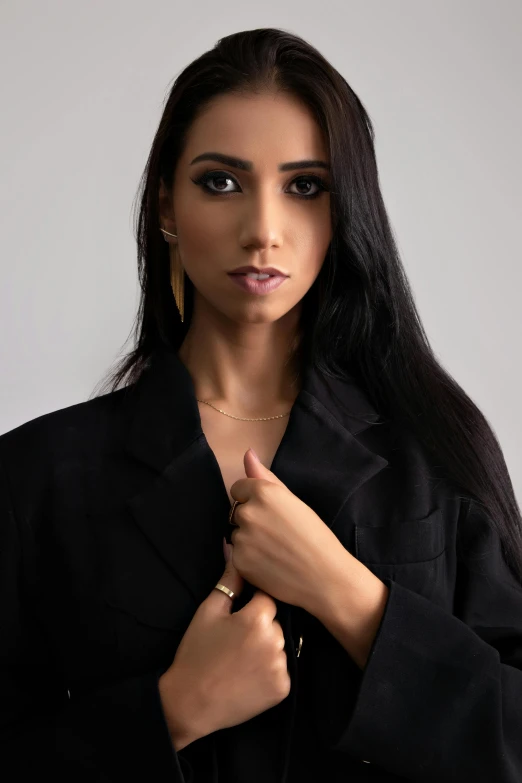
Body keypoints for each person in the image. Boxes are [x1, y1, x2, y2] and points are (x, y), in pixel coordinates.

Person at [1, 26, 521, 783]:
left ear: (345, 213)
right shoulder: (37, 479)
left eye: (305, 185)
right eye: (221, 181)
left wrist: (349, 596)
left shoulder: (436, 450)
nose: (263, 230)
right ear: (167, 208)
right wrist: (174, 709)